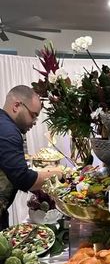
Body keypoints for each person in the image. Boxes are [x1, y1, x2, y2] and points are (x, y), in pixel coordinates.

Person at [0, 85, 63, 230]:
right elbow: (23, 179)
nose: (34, 122)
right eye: (33, 115)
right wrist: (58, 173)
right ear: (16, 106)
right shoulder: (8, 132)